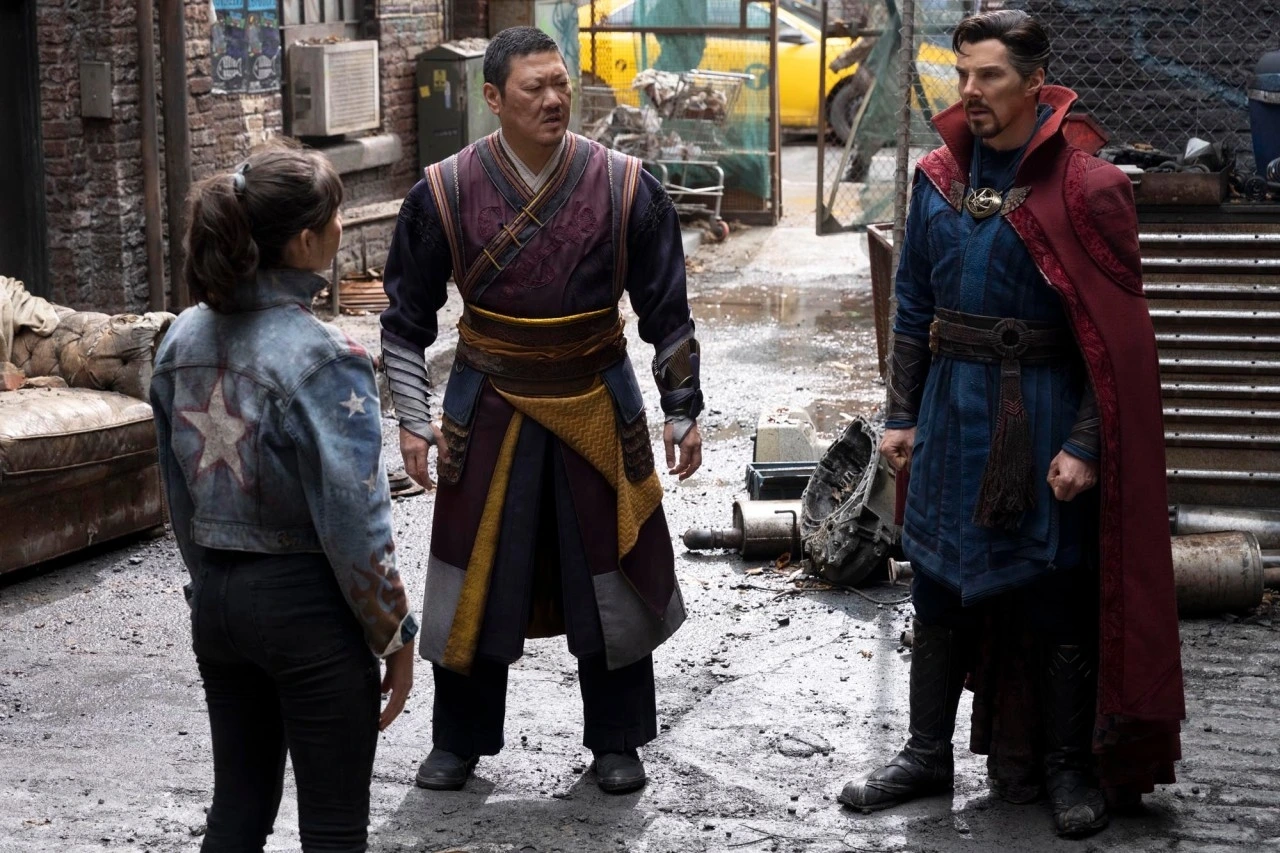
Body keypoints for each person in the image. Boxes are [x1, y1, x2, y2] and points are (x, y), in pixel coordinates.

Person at [837, 10, 1183, 838]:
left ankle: (1066, 767)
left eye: (988, 75)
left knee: (1054, 591)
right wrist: (900, 414)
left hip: (1042, 416)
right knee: (937, 582)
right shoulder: (936, 179)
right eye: (962, 74)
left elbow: (1116, 341)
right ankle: (926, 754)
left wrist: (1085, 442)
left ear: (1035, 83)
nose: (970, 90)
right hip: (949, 410)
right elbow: (913, 303)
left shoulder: (1089, 188)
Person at [380, 26, 702, 795]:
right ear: (493, 98)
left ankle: (618, 740)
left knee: (610, 574)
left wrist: (682, 408)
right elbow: (403, 321)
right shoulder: (445, 191)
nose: (555, 99)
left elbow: (668, 311)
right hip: (487, 402)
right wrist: (414, 419)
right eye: (536, 88)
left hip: (597, 398)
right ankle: (457, 740)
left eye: (562, 84)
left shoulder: (626, 186)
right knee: (473, 578)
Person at [151, 141, 418, 852]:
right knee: (333, 831)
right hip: (307, 609)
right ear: (305, 242)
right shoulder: (327, 357)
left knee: (236, 816)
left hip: (218, 601)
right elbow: (355, 519)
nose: (341, 227)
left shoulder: (180, 339)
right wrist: (394, 631)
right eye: (334, 217)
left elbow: (177, 493)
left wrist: (210, 586)